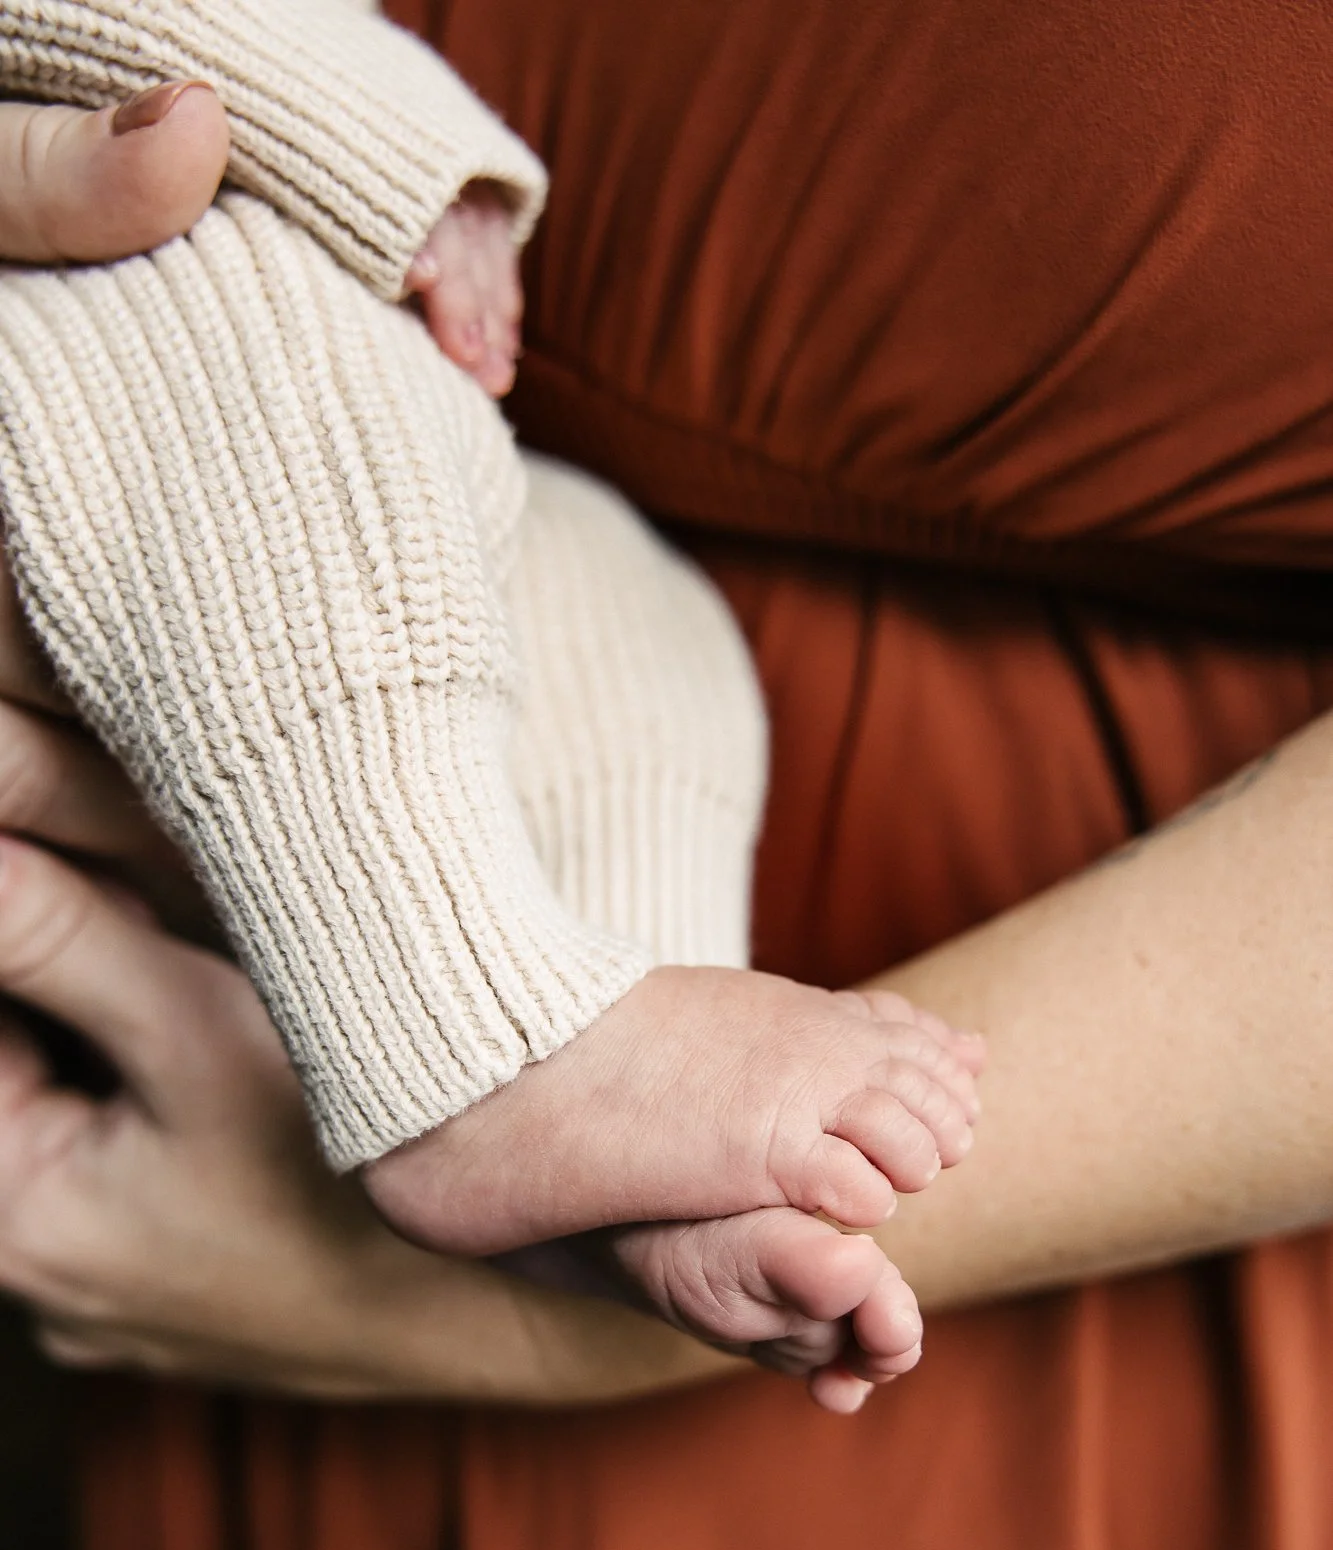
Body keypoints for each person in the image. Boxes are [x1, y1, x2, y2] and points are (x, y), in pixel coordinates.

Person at [6, 0, 1333, 1550]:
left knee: (630, 701)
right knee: (276, 454)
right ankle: (476, 1045)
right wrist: (395, 167)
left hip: (1135, 1090)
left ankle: (582, 1114)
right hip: (248, 342)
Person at [0, 0, 981, 1405]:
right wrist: (392, 155)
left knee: (632, 618)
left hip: (387, 458)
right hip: (109, 309)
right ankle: (475, 1045)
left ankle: (617, 1141)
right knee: (235, 329)